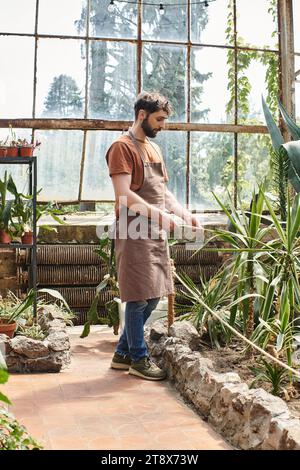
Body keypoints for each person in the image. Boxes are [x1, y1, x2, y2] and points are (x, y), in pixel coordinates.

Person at [105, 91, 202, 381]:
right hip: (133, 231)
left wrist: (184, 213)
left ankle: (123, 353)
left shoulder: (153, 150)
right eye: (159, 119)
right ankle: (138, 358)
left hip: (155, 231)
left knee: (154, 295)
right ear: (141, 115)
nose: (162, 125)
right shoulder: (121, 148)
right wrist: (163, 216)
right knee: (137, 297)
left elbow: (163, 192)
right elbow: (124, 196)